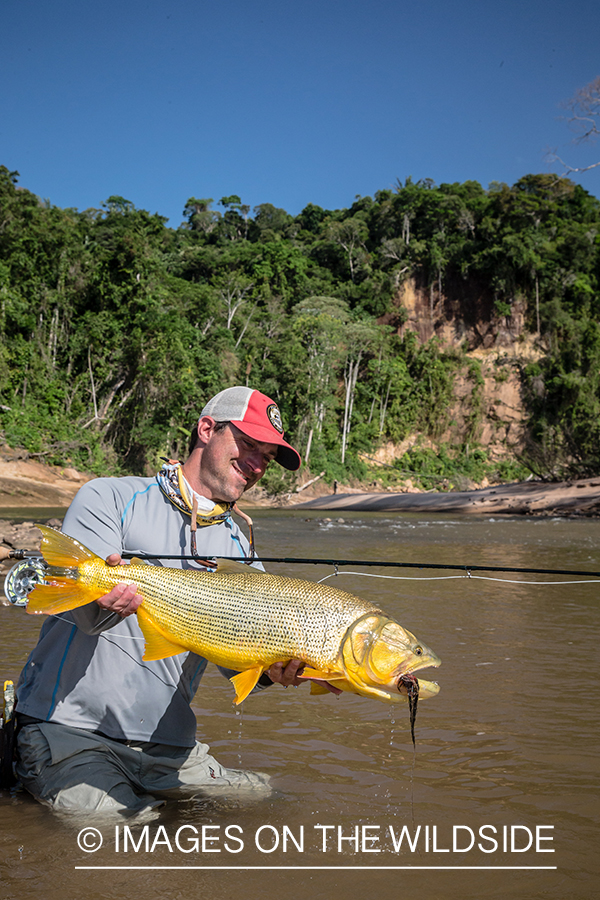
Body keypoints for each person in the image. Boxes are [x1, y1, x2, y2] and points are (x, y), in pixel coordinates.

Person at [15, 386, 305, 816]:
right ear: (207, 429)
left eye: (266, 456)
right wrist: (104, 599)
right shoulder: (109, 497)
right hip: (71, 733)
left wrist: (274, 669)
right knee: (124, 835)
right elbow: (76, 608)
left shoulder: (240, 549)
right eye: (248, 445)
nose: (257, 463)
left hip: (169, 749)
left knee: (272, 802)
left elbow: (237, 662)